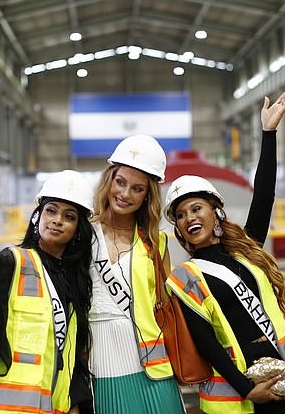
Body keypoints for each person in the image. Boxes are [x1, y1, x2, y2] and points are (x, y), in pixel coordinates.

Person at [163, 87, 285, 414]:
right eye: (181, 214)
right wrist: (249, 390)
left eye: (196, 208)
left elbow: (264, 195)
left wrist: (268, 133)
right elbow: (207, 344)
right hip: (241, 396)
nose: (189, 218)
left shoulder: (246, 250)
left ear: (216, 212)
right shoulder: (186, 278)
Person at [0, 169, 95, 414]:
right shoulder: (15, 262)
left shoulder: (74, 282)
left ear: (78, 229)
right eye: (51, 210)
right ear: (38, 216)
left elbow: (70, 359)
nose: (57, 220)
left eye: (69, 216)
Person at [89, 134, 184, 414]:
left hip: (154, 372)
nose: (125, 194)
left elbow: (166, 303)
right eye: (120, 182)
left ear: (147, 195)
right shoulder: (83, 235)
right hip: (101, 367)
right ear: (109, 181)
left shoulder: (156, 242)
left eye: (137, 189)